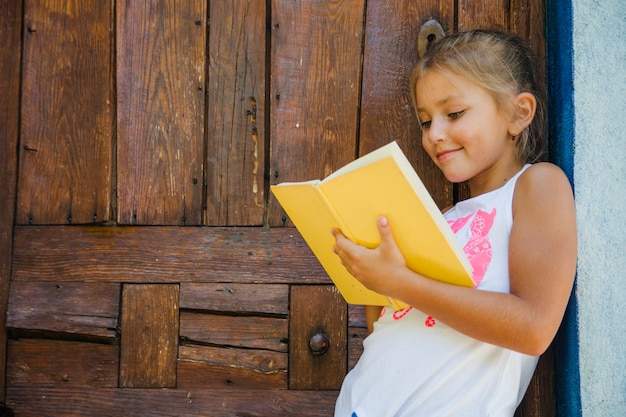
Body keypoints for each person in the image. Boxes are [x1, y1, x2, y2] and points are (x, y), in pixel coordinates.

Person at [332, 30, 577, 417]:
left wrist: (399, 281)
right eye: (426, 121)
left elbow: (534, 328)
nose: (435, 135)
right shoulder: (441, 220)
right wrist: (371, 275)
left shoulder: (536, 185)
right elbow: (392, 322)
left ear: (519, 113)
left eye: (454, 114)